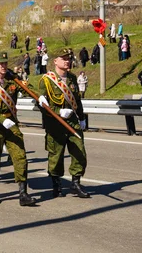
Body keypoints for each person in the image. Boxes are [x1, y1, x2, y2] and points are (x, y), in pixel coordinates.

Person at [0, 52, 37, 206]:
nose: (4, 66)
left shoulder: (12, 79)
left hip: (11, 123)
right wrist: (1, 120)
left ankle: (23, 193)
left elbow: (27, 89)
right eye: (0, 63)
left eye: (5, 63)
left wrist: (39, 96)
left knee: (20, 157)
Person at [38, 48, 90, 199]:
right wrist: (57, 111)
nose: (67, 61)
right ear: (55, 61)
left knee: (79, 151)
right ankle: (56, 184)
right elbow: (42, 105)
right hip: (56, 123)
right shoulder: (46, 81)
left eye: (69, 58)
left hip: (72, 122)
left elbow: (77, 101)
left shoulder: (73, 78)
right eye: (64, 58)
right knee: (56, 155)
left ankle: (75, 182)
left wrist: (81, 118)